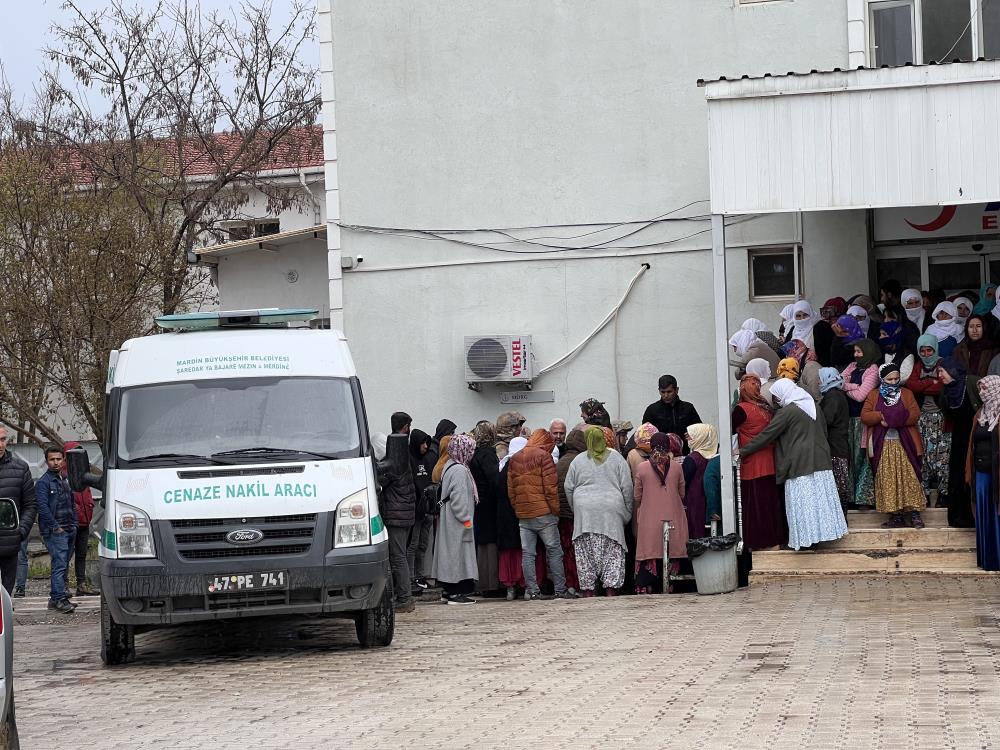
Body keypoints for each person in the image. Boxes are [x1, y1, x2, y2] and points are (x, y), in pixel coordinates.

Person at [740, 379, 849, 550]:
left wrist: (743, 451)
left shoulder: (788, 412)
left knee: (803, 505)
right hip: (821, 461)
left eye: (776, 397)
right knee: (819, 502)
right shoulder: (814, 407)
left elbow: (767, 435)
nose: (776, 401)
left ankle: (806, 541)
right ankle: (821, 537)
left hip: (800, 464)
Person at [564, 427, 634, 597]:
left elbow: (568, 487)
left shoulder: (578, 460)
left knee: (585, 553)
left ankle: (588, 591)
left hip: (584, 513)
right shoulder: (617, 458)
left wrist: (577, 509)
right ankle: (611, 590)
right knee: (612, 551)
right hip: (612, 511)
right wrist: (627, 512)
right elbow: (627, 487)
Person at [508, 429, 574, 600]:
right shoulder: (544, 457)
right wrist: (555, 511)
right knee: (554, 551)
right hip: (544, 513)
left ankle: (532, 590)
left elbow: (511, 490)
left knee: (528, 553)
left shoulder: (515, 458)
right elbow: (551, 488)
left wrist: (518, 509)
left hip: (524, 514)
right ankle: (560, 589)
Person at [861, 364, 926, 528]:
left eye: (896, 378)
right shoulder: (874, 395)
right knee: (888, 478)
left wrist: (894, 419)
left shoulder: (907, 394)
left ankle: (914, 513)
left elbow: (915, 414)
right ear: (882, 379)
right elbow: (865, 416)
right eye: (889, 379)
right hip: (883, 446)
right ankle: (895, 515)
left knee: (909, 476)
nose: (894, 382)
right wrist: (880, 415)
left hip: (905, 444)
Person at [732, 376, 784, 549]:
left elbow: (728, 431)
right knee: (770, 504)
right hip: (771, 461)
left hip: (753, 464)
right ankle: (775, 540)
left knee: (756, 507)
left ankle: (761, 543)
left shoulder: (740, 410)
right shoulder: (766, 408)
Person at [633, 432, 688, 593]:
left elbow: (637, 496)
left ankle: (646, 586)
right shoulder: (677, 467)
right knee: (673, 548)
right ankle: (671, 586)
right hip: (673, 517)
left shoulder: (642, 468)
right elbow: (682, 493)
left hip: (649, 519)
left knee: (649, 549)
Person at [431, 434, 479, 604]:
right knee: (457, 555)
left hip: (450, 520)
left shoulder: (450, 466)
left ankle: (448, 591)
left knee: (450, 554)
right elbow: (459, 501)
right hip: (457, 523)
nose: (472, 453)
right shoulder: (460, 470)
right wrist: (467, 520)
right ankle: (455, 592)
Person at [907, 334, 952, 507]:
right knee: (923, 455)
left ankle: (943, 494)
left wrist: (923, 383)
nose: (926, 354)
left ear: (935, 349)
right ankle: (923, 494)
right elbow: (911, 385)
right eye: (923, 351)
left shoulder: (944, 364)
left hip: (942, 418)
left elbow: (942, 386)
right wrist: (929, 382)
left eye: (929, 350)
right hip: (922, 418)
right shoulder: (919, 365)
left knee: (942, 457)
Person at [377, 434, 416, 613]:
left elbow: (379, 481)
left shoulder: (393, 466)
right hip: (404, 515)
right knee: (400, 556)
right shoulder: (402, 461)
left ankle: (404, 599)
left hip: (396, 517)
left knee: (398, 557)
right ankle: (403, 596)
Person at [36, 446, 77, 613]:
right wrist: (56, 527)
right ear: (47, 461)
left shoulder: (65, 479)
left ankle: (55, 599)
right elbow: (42, 508)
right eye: (52, 459)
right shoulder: (43, 482)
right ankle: (59, 599)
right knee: (59, 565)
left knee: (63, 564)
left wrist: (74, 523)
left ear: (64, 460)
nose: (56, 462)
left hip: (69, 528)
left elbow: (72, 503)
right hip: (55, 531)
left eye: (58, 459)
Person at [842, 339, 881, 508]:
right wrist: (852, 385)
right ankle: (850, 497)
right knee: (850, 457)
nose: (856, 355)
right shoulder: (852, 366)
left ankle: (864, 498)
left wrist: (844, 386)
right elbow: (838, 381)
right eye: (855, 351)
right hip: (848, 419)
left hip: (862, 421)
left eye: (859, 352)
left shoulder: (873, 370)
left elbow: (861, 396)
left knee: (862, 456)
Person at [967, 376, 1000, 570]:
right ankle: (987, 559)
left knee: (997, 513)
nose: (982, 393)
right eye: (980, 389)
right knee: (983, 513)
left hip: (997, 473)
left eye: (986, 388)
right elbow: (972, 444)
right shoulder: (980, 413)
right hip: (980, 472)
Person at [0, 427, 36, 596]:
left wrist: (21, 531)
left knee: (7, 592)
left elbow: (30, 505)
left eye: (2, 439)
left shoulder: (21, 469)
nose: (0, 444)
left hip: (10, 542)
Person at [469, 421, 500, 594]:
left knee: (482, 542)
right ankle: (490, 584)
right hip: (488, 503)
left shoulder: (475, 454)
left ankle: (482, 582)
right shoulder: (488, 454)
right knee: (489, 543)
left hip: (479, 503)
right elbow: (493, 478)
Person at [496, 436, 529, 600]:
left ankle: (510, 586)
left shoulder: (503, 466)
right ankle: (524, 584)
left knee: (508, 552)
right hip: (521, 514)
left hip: (504, 517)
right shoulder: (524, 466)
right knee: (522, 551)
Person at [555, 429, 587, 595]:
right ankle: (581, 583)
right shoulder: (582, 462)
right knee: (580, 550)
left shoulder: (561, 461)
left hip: (561, 514)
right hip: (577, 514)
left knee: (566, 550)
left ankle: (570, 584)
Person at [64, 441, 98, 596]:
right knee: (66, 555)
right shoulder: (64, 474)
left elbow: (87, 495)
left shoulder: (84, 472)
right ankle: (62, 585)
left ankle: (81, 584)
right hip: (71, 522)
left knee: (82, 554)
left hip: (84, 521)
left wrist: (89, 508)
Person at [819, 367, 851, 511]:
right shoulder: (836, 394)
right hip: (839, 445)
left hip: (835, 447)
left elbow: (827, 420)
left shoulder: (832, 397)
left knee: (838, 485)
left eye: (820, 378)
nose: (818, 381)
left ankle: (841, 518)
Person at [407, 428, 436, 592]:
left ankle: (420, 575)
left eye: (427, 443)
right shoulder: (410, 459)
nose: (425, 446)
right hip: (416, 510)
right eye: (423, 443)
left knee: (423, 545)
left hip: (427, 509)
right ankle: (410, 578)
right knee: (413, 544)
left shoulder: (427, 460)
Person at [683, 424, 722, 538]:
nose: (689, 440)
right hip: (713, 502)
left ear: (700, 437)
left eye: (691, 437)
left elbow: (683, 482)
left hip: (694, 502)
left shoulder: (692, 458)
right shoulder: (716, 456)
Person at [954, 315, 998, 383]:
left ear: (984, 328)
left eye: (978, 326)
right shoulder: (959, 350)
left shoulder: (993, 350)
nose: (974, 330)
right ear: (966, 329)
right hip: (963, 390)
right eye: (971, 327)